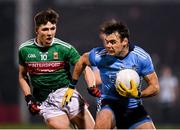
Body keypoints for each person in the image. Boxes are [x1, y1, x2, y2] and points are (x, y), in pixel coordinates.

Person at [62, 19, 160, 129]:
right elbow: (82, 61)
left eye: (113, 42)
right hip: (109, 103)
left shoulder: (141, 57)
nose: (108, 46)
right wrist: (71, 87)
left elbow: (155, 87)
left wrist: (138, 94)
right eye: (106, 42)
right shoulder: (100, 55)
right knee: (103, 120)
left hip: (133, 106)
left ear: (125, 42)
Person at [18, 9, 95, 129]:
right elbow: (22, 76)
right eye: (45, 29)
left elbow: (85, 68)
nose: (50, 33)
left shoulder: (64, 48)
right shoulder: (25, 50)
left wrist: (91, 85)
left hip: (67, 94)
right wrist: (29, 98)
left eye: (52, 28)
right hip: (45, 101)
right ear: (37, 30)